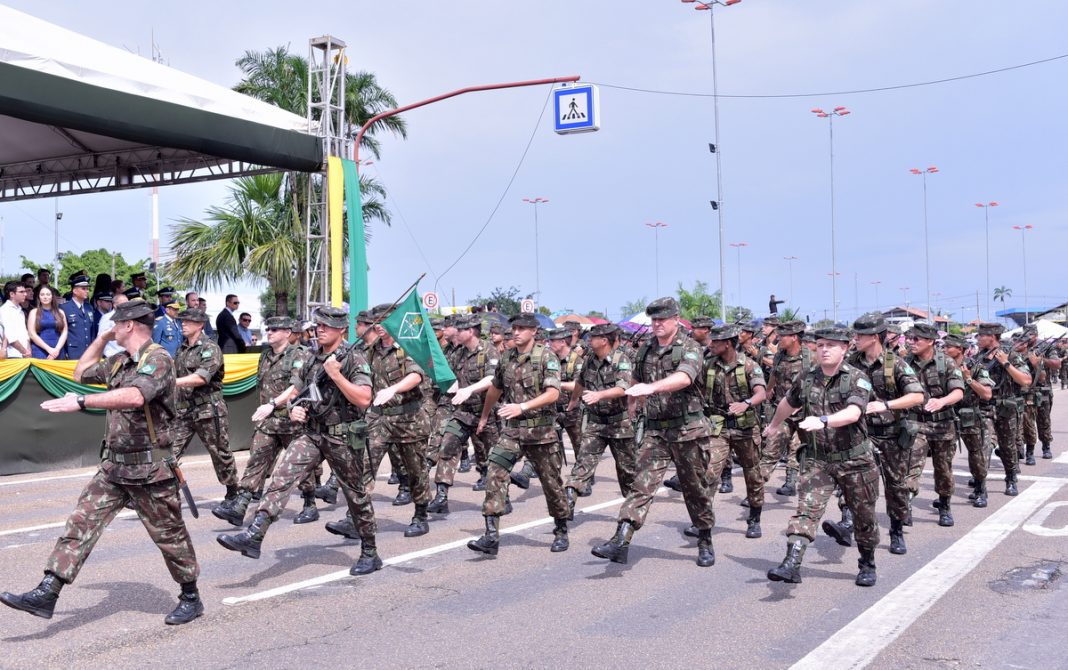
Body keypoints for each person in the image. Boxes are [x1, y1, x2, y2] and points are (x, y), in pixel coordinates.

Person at [0, 298, 203, 625]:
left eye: (115, 324)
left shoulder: (159, 360)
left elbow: (136, 396)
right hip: (114, 467)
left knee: (170, 537)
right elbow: (81, 373)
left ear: (129, 325)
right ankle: (48, 591)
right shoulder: (120, 360)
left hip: (150, 469)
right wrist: (100, 340)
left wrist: (81, 403)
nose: (111, 328)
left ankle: (191, 596)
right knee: (81, 522)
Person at [217, 306, 383, 576]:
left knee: (356, 495)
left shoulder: (355, 358)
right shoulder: (311, 357)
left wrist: (337, 375)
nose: (320, 329)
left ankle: (369, 551)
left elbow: (364, 399)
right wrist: (294, 407)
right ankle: (255, 534)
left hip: (343, 435)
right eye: (318, 325)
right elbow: (298, 391)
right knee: (282, 477)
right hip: (312, 432)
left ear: (342, 330)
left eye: (327, 325)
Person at [590, 297, 716, 567]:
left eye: (662, 319)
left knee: (695, 489)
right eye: (654, 320)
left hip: (688, 430)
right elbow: (636, 378)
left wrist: (652, 388)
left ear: (675, 319)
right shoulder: (646, 348)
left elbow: (685, 377)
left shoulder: (690, 347)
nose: (657, 324)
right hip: (656, 431)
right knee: (641, 485)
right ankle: (621, 540)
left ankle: (704, 538)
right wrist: (633, 403)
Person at [763, 327, 880, 587]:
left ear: (844, 348)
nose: (824, 349)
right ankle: (791, 564)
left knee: (864, 517)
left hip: (854, 460)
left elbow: (853, 413)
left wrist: (824, 420)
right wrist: (773, 425)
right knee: (806, 510)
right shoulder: (807, 377)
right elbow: (788, 402)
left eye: (831, 345)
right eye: (820, 344)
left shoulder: (857, 378)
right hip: (819, 459)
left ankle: (867, 562)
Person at [469, 312, 570, 556]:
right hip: (513, 432)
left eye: (522, 328)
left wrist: (522, 407)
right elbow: (495, 389)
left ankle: (561, 528)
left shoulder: (546, 356)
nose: (516, 332)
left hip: (541, 431)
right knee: (495, 472)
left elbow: (553, 393)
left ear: (534, 331)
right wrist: (484, 416)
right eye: (514, 327)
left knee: (551, 483)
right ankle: (491, 534)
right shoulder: (506, 357)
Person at [213, 317, 316, 527]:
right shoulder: (266, 355)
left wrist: (272, 403)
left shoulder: (301, 354)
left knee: (300, 466)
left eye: (275, 329)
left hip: (291, 421)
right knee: (257, 460)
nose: (269, 332)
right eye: (268, 329)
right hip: (269, 422)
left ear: (288, 332)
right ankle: (240, 506)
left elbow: (295, 388)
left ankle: (310, 503)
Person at [835, 313, 924, 554]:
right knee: (855, 482)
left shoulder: (895, 363)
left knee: (895, 486)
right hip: (861, 434)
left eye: (860, 335)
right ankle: (847, 522)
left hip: (891, 435)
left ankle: (896, 530)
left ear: (874, 337)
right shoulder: (851, 362)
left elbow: (917, 396)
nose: (855, 339)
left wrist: (887, 405)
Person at [364, 303, 433, 537]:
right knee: (364, 465)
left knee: (416, 471)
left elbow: (415, 376)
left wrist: (393, 390)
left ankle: (421, 515)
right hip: (380, 420)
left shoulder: (407, 346)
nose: (379, 326)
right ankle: (357, 518)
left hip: (409, 419)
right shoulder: (372, 350)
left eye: (384, 321)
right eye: (376, 322)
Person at [427, 315, 499, 515]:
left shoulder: (488, 350)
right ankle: (441, 496)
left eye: (460, 329)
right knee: (447, 447)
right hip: (463, 413)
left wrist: (470, 389)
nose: (456, 332)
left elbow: (493, 378)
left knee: (495, 458)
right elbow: (449, 375)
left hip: (487, 412)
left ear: (472, 331)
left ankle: (503, 497)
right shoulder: (458, 353)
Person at [564, 323, 637, 517]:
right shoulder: (590, 360)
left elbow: (623, 388)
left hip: (619, 424)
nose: (588, 341)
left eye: (592, 338)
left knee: (627, 472)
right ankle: (566, 507)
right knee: (582, 464)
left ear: (604, 340)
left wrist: (599, 395)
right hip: (596, 423)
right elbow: (580, 382)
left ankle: (631, 513)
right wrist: (573, 401)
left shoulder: (622, 360)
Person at [704, 324, 768, 538]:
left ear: (729, 343)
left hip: (745, 428)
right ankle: (703, 520)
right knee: (710, 473)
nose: (711, 345)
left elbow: (761, 392)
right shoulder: (709, 365)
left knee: (753, 475)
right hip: (718, 427)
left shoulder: (748, 365)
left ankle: (754, 518)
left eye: (716, 342)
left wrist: (746, 403)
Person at [170, 308, 238, 501]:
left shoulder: (210, 348)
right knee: (169, 452)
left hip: (209, 410)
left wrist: (171, 382)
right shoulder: (181, 348)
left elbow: (201, 378)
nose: (183, 324)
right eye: (182, 321)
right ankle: (164, 490)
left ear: (200, 325)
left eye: (188, 321)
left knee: (220, 453)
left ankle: (233, 492)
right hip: (184, 410)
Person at [903, 323, 965, 526]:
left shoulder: (945, 362)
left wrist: (942, 401)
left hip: (942, 426)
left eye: (917, 339)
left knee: (943, 469)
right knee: (911, 465)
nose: (912, 343)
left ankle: (945, 505)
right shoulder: (904, 363)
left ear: (930, 342)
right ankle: (907, 504)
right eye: (910, 339)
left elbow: (958, 392)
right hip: (916, 424)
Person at [975, 323, 1031, 496]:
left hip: (1006, 408)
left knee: (1007, 447)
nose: (978, 339)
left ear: (992, 337)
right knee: (983, 446)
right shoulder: (979, 357)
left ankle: (1011, 479)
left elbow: (1026, 381)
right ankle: (980, 488)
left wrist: (1006, 363)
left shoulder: (1011, 355)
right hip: (985, 408)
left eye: (981, 335)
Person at [943, 334, 996, 508]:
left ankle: (981, 489)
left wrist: (968, 379)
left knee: (977, 455)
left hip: (970, 417)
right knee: (944, 458)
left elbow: (987, 394)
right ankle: (945, 496)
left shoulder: (976, 367)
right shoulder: (941, 366)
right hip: (948, 416)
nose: (944, 350)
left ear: (960, 349)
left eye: (948, 346)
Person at [759, 320, 810, 498]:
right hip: (783, 412)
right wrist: (768, 389)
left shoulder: (811, 357)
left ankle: (792, 483)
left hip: (805, 414)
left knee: (798, 449)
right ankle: (755, 491)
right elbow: (775, 372)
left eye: (783, 336)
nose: (778, 338)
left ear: (794, 337)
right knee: (770, 449)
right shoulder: (780, 354)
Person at [29, 285, 68, 359]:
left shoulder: (60, 312)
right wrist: (49, 349)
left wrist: (57, 349)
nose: (45, 297)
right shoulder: (33, 312)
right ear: (39, 297)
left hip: (58, 350)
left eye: (48, 294)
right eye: (42, 294)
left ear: (52, 296)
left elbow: (64, 332)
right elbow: (32, 334)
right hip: (40, 351)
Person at [60, 274, 94, 360]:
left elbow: (92, 331)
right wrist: (64, 352)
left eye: (87, 288)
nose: (87, 291)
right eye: (83, 288)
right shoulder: (64, 308)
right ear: (74, 290)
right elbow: (60, 332)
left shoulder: (89, 307)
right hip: (72, 353)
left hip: (88, 352)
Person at [1, 280, 32, 358]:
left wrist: (28, 351)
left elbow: (25, 334)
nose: (25, 294)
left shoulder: (20, 310)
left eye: (25, 291)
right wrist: (25, 352)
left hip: (24, 355)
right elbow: (11, 337)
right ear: (12, 294)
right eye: (21, 292)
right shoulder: (5, 310)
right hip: (11, 356)